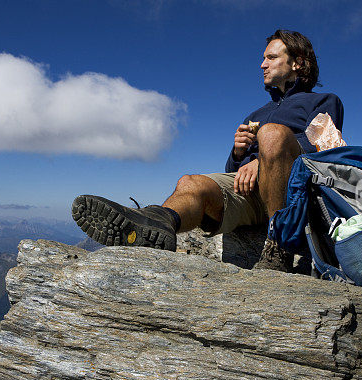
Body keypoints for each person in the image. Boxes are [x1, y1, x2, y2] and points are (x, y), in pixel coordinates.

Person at [72, 29, 344, 271]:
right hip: (250, 193)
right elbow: (232, 172)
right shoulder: (258, 112)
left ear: (297, 62)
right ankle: (159, 224)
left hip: (292, 191)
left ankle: (279, 246)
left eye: (271, 58)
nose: (262, 64)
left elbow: (325, 145)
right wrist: (238, 154)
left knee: (273, 134)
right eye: (263, 58)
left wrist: (267, 157)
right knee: (190, 182)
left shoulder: (323, 101)